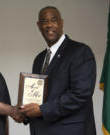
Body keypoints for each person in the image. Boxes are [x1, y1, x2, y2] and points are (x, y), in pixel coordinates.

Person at [20, 6, 96, 135]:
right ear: (39, 26)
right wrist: (25, 111)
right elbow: (38, 97)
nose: (49, 25)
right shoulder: (39, 59)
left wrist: (42, 110)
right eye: (44, 21)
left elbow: (81, 93)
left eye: (53, 20)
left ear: (61, 22)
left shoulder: (80, 51)